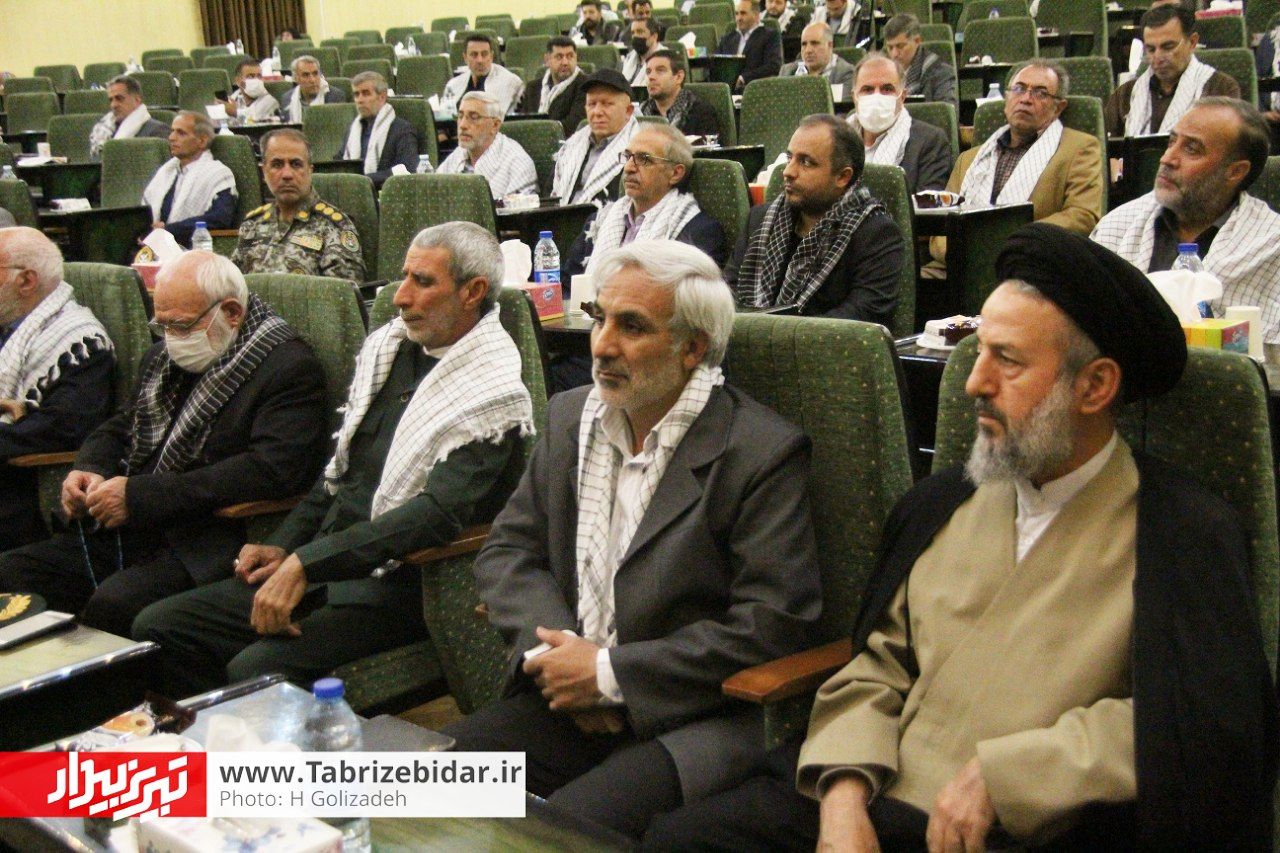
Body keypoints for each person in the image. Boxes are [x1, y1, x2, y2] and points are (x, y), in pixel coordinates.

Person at [644, 223, 1280, 852]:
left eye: (1008, 361)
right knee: (679, 840)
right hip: (872, 793)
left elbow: (1196, 724)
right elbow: (876, 667)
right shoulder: (942, 503)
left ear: (1094, 386)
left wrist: (1006, 776)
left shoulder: (1181, 534)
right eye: (979, 353)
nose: (974, 382)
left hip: (1023, 831)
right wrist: (842, 795)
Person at [442, 238, 822, 840]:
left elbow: (771, 623)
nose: (602, 344)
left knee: (559, 834)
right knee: (425, 779)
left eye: (633, 326)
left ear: (693, 348)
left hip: (694, 714)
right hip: (568, 699)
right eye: (599, 318)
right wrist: (561, 658)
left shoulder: (759, 451)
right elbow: (509, 551)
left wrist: (610, 674)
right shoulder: (570, 418)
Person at [133, 223, 532, 696]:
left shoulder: (491, 389)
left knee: (256, 670)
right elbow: (338, 475)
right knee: (159, 626)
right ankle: (225, 736)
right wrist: (284, 545)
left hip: (398, 586)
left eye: (422, 282)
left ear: (473, 292)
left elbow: (435, 516)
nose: (400, 296)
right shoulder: (390, 348)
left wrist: (307, 562)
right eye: (404, 276)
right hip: (322, 563)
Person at [0, 251, 327, 637]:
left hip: (203, 536)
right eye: (163, 325)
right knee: (12, 572)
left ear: (232, 313)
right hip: (127, 527)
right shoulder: (164, 356)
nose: (171, 337)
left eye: (182, 325)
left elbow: (272, 470)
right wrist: (89, 467)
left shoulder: (287, 367)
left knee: (114, 603)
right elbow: (123, 424)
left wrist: (139, 496)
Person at [1093, 98, 1280, 345]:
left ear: (1235, 171)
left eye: (1191, 149)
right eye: (1171, 142)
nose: (1167, 158)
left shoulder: (1272, 244)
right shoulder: (1118, 225)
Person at [927, 60, 1103, 274]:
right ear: (1007, 98)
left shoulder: (1079, 148)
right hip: (956, 268)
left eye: (1040, 93)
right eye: (1019, 89)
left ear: (1058, 107)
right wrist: (970, 256)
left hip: (1032, 266)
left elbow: (1083, 216)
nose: (1026, 99)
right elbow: (941, 226)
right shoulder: (968, 159)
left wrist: (1008, 242)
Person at [726, 114, 902, 325]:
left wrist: (777, 334)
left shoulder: (876, 233)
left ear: (842, 177)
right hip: (749, 341)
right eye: (789, 158)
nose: (788, 171)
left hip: (826, 345)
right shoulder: (759, 220)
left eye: (806, 162)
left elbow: (861, 320)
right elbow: (726, 295)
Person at [0, 228, 113, 553]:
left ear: (26, 280)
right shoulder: (9, 325)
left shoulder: (80, 342)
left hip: (20, 489)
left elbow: (62, 428)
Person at [564, 123, 728, 277]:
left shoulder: (697, 232)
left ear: (675, 173)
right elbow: (567, 286)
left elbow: (685, 296)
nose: (628, 168)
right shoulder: (599, 221)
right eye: (627, 157)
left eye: (644, 159)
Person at [231, 129, 365, 283]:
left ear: (310, 171)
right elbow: (231, 285)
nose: (287, 174)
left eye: (296, 164)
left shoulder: (334, 227)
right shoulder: (252, 225)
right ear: (264, 172)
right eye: (277, 164)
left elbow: (344, 294)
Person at [1104, 4, 1239, 137]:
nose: (1158, 57)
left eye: (1168, 47)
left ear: (1192, 42)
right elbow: (1106, 147)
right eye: (1151, 49)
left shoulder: (1220, 89)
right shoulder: (1125, 94)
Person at [847, 53, 952, 193]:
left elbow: (927, 204)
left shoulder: (930, 142)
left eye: (887, 89)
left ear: (902, 97)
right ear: (854, 97)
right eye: (867, 89)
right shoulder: (836, 141)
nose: (877, 96)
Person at [142, 111, 237, 248]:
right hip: (154, 246)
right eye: (172, 131)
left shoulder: (218, 174)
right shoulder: (166, 171)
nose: (171, 137)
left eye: (181, 133)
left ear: (202, 141)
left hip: (193, 248)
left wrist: (169, 230)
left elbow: (220, 219)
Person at [552, 69, 640, 205]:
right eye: (592, 104)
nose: (597, 112)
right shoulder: (571, 146)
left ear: (628, 111)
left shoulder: (641, 151)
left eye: (607, 104)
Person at [437, 92, 538, 199]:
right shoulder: (458, 154)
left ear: (495, 125)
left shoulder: (518, 164)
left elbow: (517, 209)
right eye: (460, 116)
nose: (462, 125)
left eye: (474, 117)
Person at [340, 71, 419, 190]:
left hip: (386, 193)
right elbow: (340, 162)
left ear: (382, 96)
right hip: (352, 191)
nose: (359, 100)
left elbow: (407, 169)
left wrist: (362, 181)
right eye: (356, 94)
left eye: (366, 93)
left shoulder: (402, 130)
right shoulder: (352, 130)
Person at [517, 37, 589, 136]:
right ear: (547, 60)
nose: (565, 62)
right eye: (559, 57)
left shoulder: (585, 86)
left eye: (570, 56)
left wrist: (537, 134)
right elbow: (521, 124)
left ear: (576, 58)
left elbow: (573, 126)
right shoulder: (532, 88)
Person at [640, 50, 720, 138]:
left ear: (679, 77)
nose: (651, 77)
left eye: (660, 71)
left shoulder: (701, 113)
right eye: (648, 72)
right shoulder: (640, 112)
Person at [88, 75, 170, 160]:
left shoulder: (157, 131)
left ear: (137, 100)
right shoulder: (104, 131)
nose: (113, 105)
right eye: (111, 100)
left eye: (119, 98)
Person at [883, 13, 956, 107]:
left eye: (900, 46)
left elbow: (946, 112)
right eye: (890, 47)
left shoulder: (941, 72)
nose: (894, 54)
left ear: (917, 41)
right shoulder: (881, 72)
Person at [442, 34, 525, 116]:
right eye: (474, 55)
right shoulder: (453, 84)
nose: (480, 60)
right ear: (465, 58)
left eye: (484, 54)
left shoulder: (509, 81)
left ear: (491, 56)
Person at [717, 0, 783, 92]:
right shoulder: (727, 39)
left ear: (756, 15)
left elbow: (773, 66)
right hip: (726, 90)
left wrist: (743, 78)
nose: (739, 18)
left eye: (743, 13)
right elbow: (716, 65)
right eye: (736, 14)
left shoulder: (769, 36)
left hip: (756, 90)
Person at [780, 23, 855, 94]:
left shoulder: (846, 73)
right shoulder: (787, 71)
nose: (808, 50)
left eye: (814, 43)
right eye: (804, 44)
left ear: (830, 45)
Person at [279, 55, 346, 124]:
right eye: (305, 75)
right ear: (296, 78)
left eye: (315, 74)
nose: (312, 80)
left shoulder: (336, 97)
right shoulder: (287, 99)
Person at [621, 18, 662, 86]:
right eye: (633, 33)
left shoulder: (664, 59)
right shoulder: (629, 57)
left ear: (654, 36)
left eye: (640, 32)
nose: (635, 36)